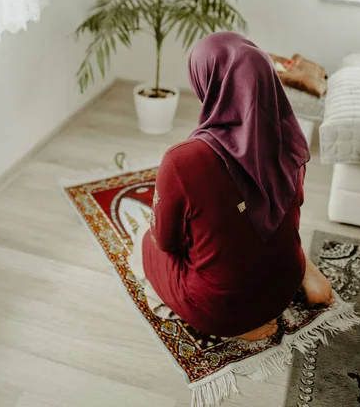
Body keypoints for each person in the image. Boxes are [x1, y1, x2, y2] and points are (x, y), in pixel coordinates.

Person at [134, 32, 333, 341]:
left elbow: (165, 241)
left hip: (223, 309)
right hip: (283, 283)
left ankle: (245, 324)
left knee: (145, 241)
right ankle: (304, 270)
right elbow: (294, 208)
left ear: (208, 83)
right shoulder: (291, 138)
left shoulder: (182, 161)